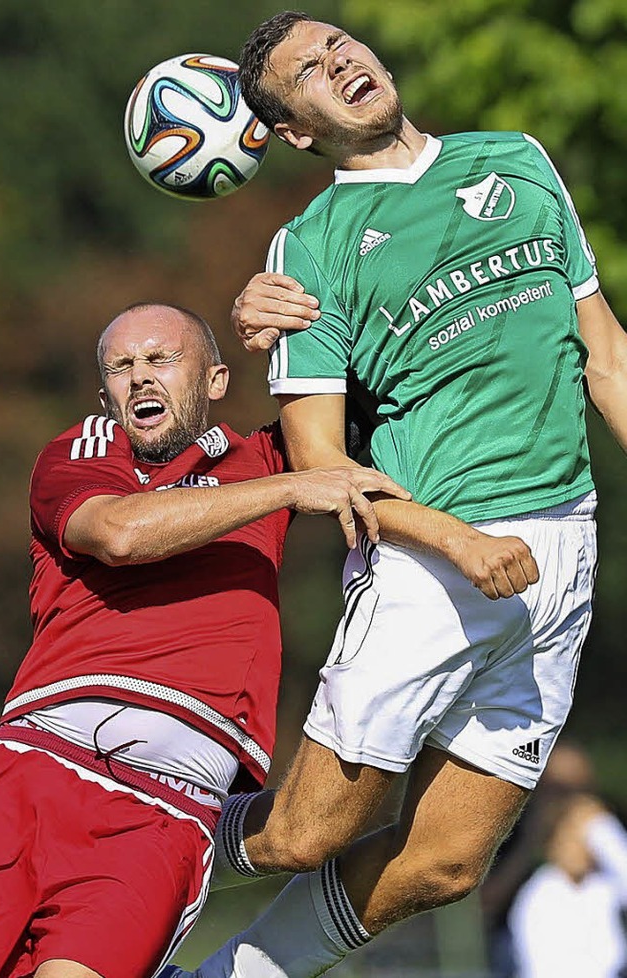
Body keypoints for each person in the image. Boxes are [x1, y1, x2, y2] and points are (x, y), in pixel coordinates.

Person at [165, 11, 627, 978]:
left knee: (448, 862)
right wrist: (457, 542)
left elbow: (609, 357)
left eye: (339, 44)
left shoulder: (520, 158)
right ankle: (109, 845)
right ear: (292, 131)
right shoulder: (312, 251)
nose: (338, 63)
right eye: (307, 72)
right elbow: (322, 469)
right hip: (437, 562)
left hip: (562, 553)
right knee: (307, 832)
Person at [0, 301, 414, 978]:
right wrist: (292, 488)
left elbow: (393, 373)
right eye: (123, 366)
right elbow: (118, 534)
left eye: (162, 359)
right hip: (34, 773)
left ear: (215, 381)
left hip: (165, 815)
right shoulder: (90, 449)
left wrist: (283, 313)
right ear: (106, 396)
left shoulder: (270, 458)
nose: (141, 378)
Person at [508, 792, 627, 978]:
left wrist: (603, 830)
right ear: (557, 837)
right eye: (575, 835)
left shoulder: (601, 887)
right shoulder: (541, 893)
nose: (583, 845)